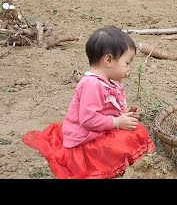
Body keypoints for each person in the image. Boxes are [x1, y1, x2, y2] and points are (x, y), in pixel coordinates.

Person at [22, 26, 155, 179]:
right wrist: (118, 122)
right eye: (127, 63)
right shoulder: (92, 85)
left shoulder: (107, 81)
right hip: (87, 138)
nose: (129, 68)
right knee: (125, 139)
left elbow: (105, 110)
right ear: (109, 60)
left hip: (100, 129)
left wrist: (124, 114)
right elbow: (88, 120)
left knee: (135, 130)